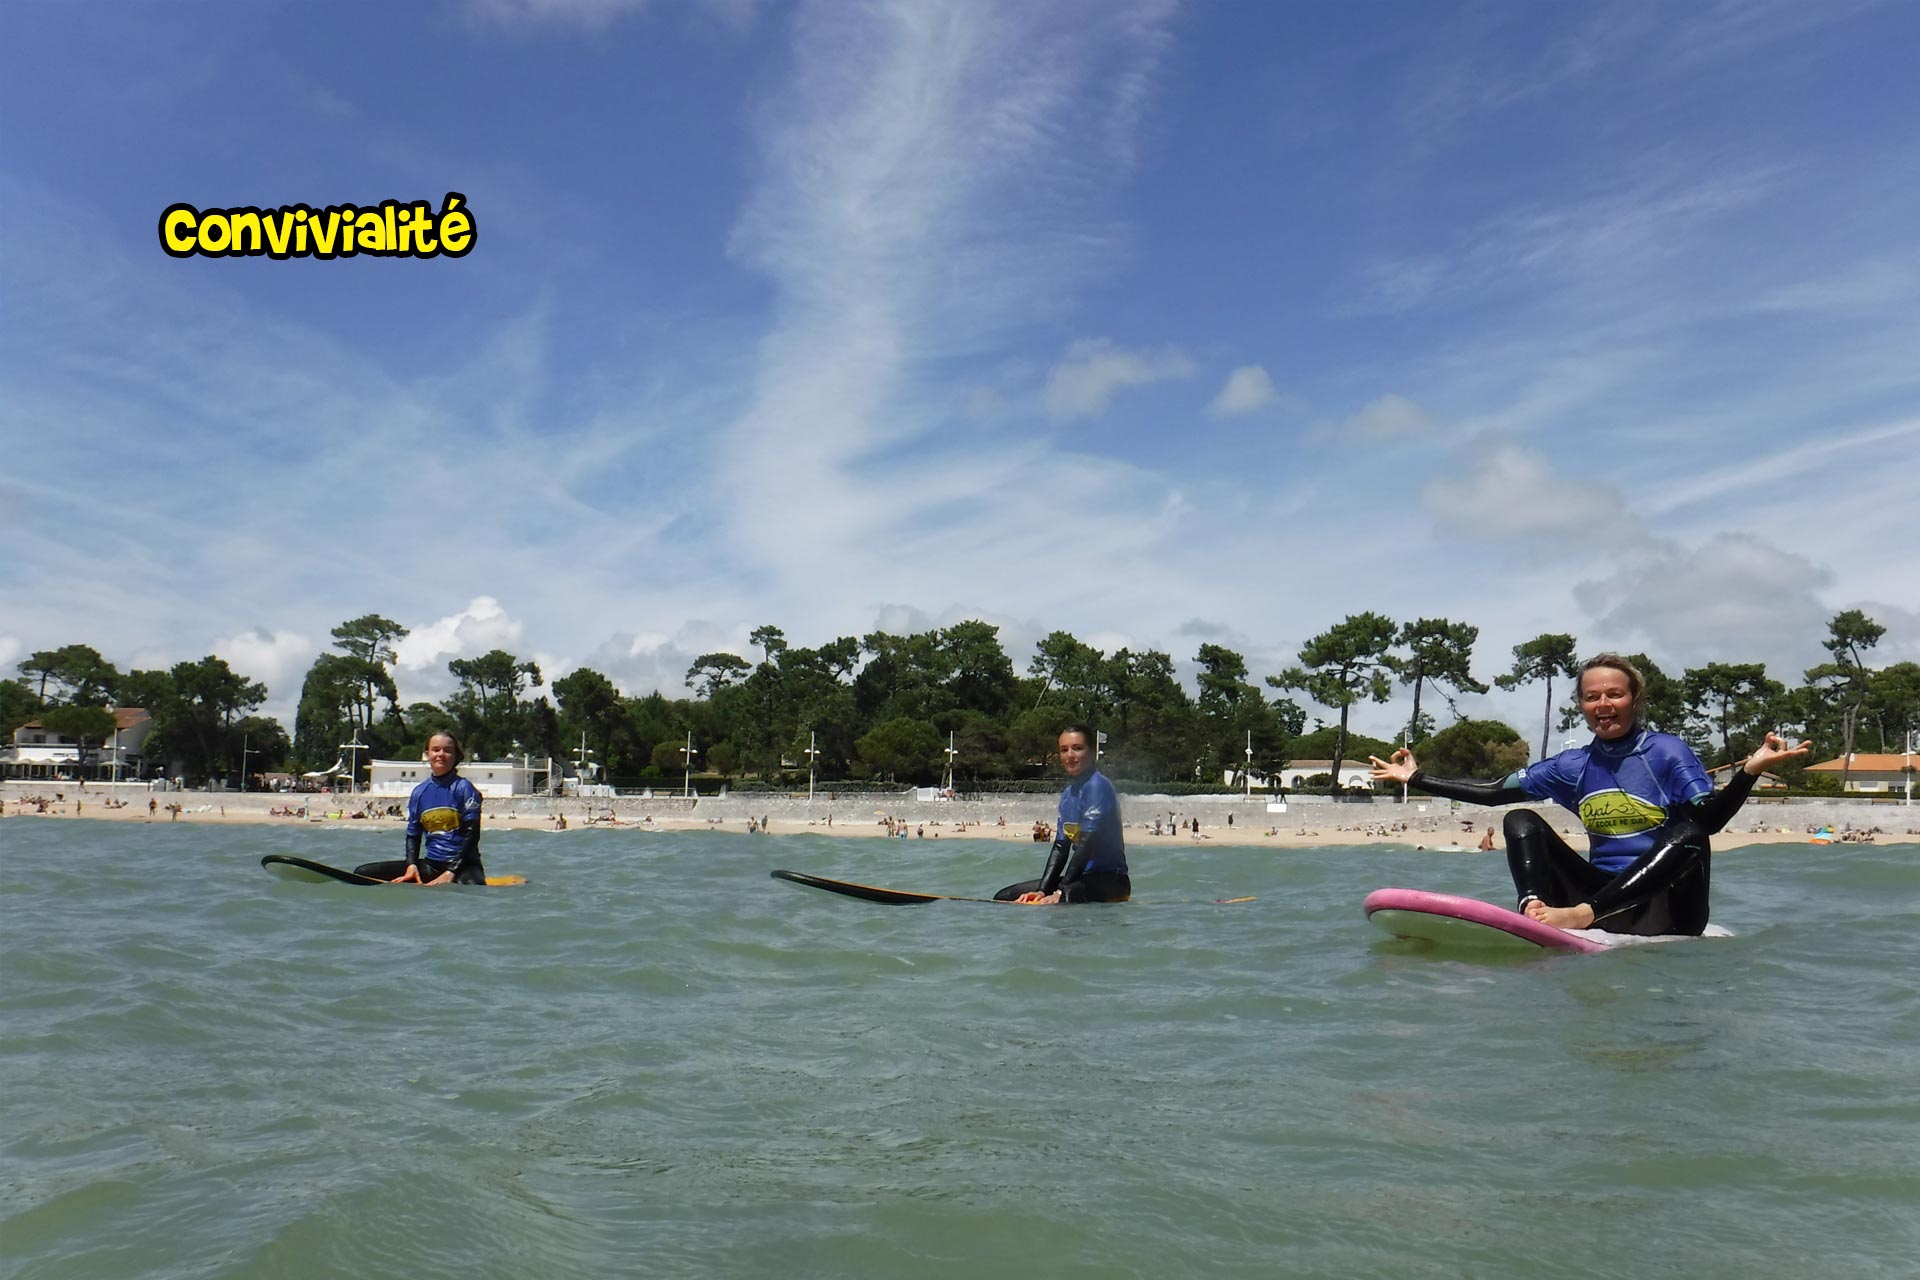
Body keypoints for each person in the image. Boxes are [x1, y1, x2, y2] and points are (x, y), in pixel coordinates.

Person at [1369, 653, 1807, 936]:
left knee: (1690, 833)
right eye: (1592, 696)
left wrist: (1748, 772)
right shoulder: (1572, 766)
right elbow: (1492, 793)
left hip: (1668, 908)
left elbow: (1709, 821)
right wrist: (1416, 777)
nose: (1603, 704)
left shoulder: (1666, 752)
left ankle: (1580, 916)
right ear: (1581, 705)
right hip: (1605, 899)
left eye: (1615, 694)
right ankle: (1533, 908)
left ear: (1635, 700)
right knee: (1519, 820)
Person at [995, 724, 1130, 904]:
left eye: (1077, 748)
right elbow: (1060, 848)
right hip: (1079, 879)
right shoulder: (1068, 794)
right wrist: (1043, 891)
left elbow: (1087, 844)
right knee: (1006, 896)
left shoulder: (1098, 786)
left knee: (1067, 896)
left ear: (1091, 752)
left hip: (1112, 882)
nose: (1070, 756)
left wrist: (1059, 892)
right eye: (1064, 750)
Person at [354, 731, 486, 886]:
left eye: (447, 750)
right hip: (432, 866)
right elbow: (413, 834)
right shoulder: (420, 792)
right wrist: (412, 865)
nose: (441, 754)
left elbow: (472, 834)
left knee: (472, 889)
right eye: (436, 749)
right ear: (427, 754)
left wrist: (451, 872)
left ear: (456, 756)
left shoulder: (464, 788)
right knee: (362, 873)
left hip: (465, 866)